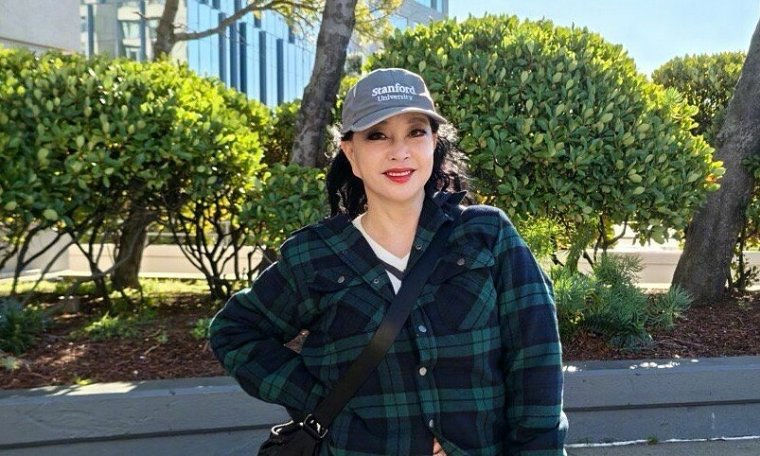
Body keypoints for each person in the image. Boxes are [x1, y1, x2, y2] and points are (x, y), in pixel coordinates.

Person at [209, 68, 568, 455]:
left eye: (416, 132)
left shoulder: (487, 235)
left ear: (434, 143)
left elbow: (536, 362)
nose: (400, 151)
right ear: (351, 153)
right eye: (377, 135)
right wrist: (323, 402)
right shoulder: (316, 254)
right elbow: (234, 331)